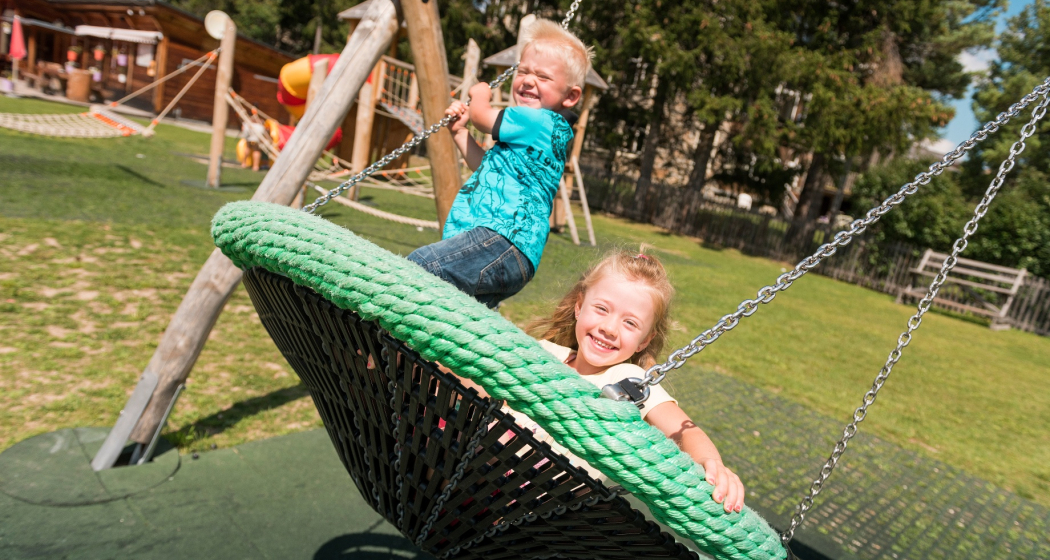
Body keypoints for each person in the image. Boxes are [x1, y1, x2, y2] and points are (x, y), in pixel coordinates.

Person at [407, 19, 592, 308]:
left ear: (571, 96)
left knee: (420, 265)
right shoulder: (543, 134)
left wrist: (479, 95)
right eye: (523, 71)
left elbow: (482, 116)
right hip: (515, 254)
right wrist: (459, 132)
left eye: (543, 77)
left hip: (501, 239)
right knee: (451, 310)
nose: (528, 80)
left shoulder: (537, 120)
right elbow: (486, 167)